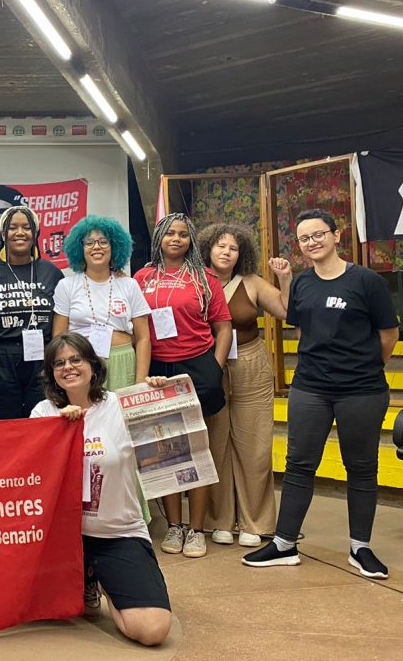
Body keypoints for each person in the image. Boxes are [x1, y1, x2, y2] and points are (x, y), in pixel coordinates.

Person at [243, 209, 399, 578]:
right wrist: (285, 280)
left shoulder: (366, 281)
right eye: (304, 238)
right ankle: (284, 543)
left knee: (361, 468)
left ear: (336, 235)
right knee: (299, 464)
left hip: (361, 390)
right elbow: (294, 318)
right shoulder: (305, 283)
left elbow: (388, 335)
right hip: (310, 387)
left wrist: (361, 366)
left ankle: (360, 547)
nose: (312, 242)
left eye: (318, 234)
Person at [30, 333, 171, 647]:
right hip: (62, 540)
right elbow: (35, 479)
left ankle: (101, 578)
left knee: (152, 630)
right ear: (51, 373)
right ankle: (83, 574)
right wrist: (58, 432)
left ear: (93, 365)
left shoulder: (121, 406)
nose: (68, 367)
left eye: (76, 359)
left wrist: (160, 396)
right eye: (59, 363)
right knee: (26, 607)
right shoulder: (42, 413)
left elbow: (167, 442)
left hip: (117, 533)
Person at [134, 213, 232, 559]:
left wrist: (213, 367)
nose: (176, 239)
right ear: (159, 237)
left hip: (197, 366)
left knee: (195, 450)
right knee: (165, 452)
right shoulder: (142, 278)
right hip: (156, 368)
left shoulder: (205, 278)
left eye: (183, 235)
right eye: (170, 234)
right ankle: (175, 526)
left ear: (191, 241)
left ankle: (197, 529)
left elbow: (223, 327)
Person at [198, 223, 292, 548]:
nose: (227, 252)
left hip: (250, 364)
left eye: (233, 248)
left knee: (255, 444)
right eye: (221, 246)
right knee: (215, 442)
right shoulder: (197, 282)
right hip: (209, 367)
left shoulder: (251, 282)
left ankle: (256, 521)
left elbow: (285, 310)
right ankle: (219, 519)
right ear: (208, 248)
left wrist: (284, 279)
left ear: (242, 254)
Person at [0, 205, 63, 419]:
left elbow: (60, 327)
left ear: (35, 233)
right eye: (13, 228)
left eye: (27, 227)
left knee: (40, 421)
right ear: (3, 234)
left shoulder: (52, 273)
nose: (20, 232)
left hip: (41, 359)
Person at [53, 215, 152, 390]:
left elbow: (143, 338)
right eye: (89, 242)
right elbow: (58, 337)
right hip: (80, 364)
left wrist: (141, 380)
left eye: (103, 242)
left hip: (123, 361)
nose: (96, 247)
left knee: (122, 417)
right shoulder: (66, 285)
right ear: (80, 248)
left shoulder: (129, 285)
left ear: (115, 247)